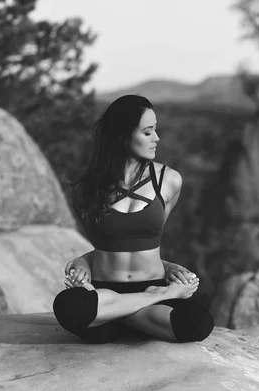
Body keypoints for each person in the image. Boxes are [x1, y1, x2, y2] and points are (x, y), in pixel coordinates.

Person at [53, 95, 214, 344]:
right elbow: (106, 246)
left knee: (198, 324)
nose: (157, 138)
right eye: (148, 132)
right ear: (123, 135)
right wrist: (84, 260)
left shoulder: (169, 181)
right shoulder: (87, 189)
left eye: (155, 130)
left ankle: (117, 315)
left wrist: (169, 268)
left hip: (132, 291)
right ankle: (145, 306)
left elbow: (145, 243)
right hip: (105, 289)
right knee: (67, 306)